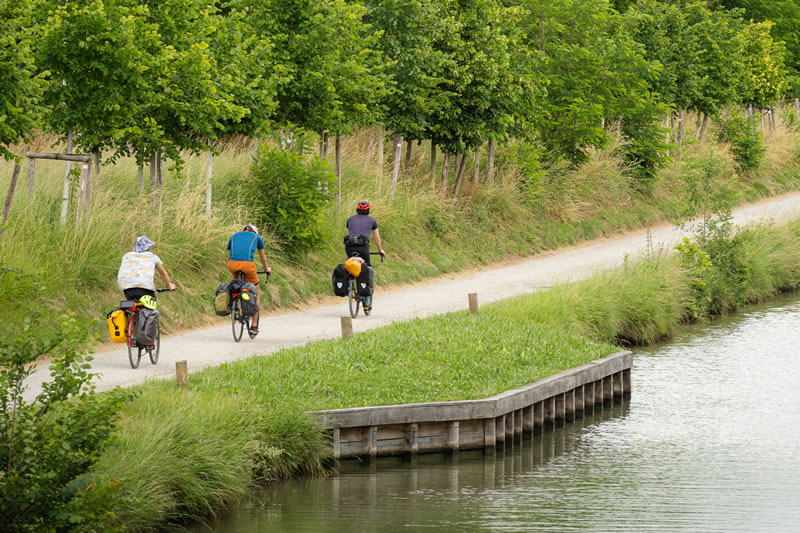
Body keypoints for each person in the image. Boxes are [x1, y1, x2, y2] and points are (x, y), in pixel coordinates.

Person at [227, 224, 271, 336]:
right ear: (255, 232)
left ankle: (233, 302)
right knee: (255, 292)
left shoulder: (234, 236)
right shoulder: (257, 237)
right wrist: (266, 269)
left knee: (235, 284)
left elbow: (232, 253)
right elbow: (262, 257)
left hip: (232, 265)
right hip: (248, 265)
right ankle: (254, 326)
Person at [345, 201, 385, 310]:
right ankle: (367, 299)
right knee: (367, 268)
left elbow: (348, 235)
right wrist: (380, 250)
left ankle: (349, 286)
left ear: (357, 209)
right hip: (363, 248)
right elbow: (377, 238)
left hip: (349, 247)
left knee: (349, 264)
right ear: (368, 210)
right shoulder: (372, 221)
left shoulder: (349, 219)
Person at [117, 235, 176, 301]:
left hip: (126, 287)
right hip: (144, 287)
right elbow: (163, 273)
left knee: (132, 307)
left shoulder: (127, 255)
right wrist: (169, 285)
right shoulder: (152, 257)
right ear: (147, 248)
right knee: (150, 305)